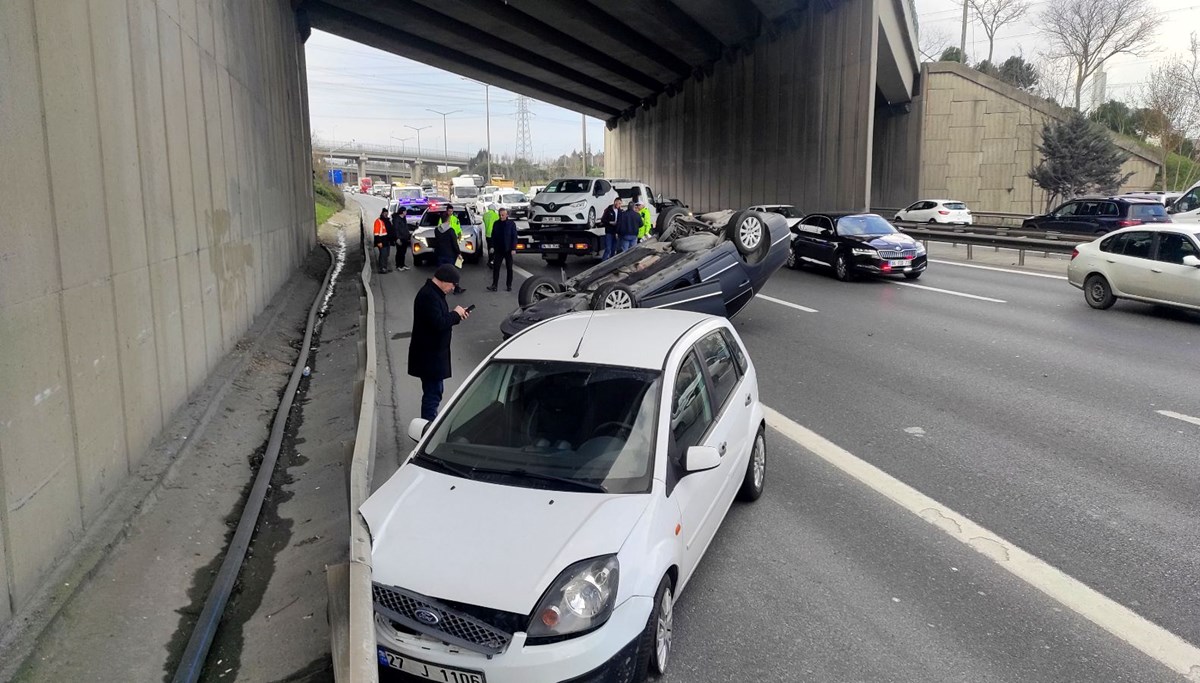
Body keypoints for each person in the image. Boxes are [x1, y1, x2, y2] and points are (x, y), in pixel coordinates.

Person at [408, 264, 470, 420]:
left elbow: (438, 319)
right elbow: (439, 323)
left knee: (434, 393)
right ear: (444, 280)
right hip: (430, 357)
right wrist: (455, 314)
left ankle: (428, 425)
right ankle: (427, 430)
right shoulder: (429, 296)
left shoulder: (433, 294)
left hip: (432, 356)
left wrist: (456, 315)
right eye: (453, 284)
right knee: (432, 395)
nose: (453, 288)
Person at [432, 206, 465, 294]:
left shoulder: (437, 230)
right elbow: (454, 243)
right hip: (450, 254)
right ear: (447, 220)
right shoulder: (450, 231)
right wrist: (459, 253)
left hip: (440, 254)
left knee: (441, 272)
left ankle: (439, 288)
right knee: (452, 272)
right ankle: (456, 289)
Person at [486, 207, 519, 292]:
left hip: (508, 250)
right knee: (496, 268)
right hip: (499, 249)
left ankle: (509, 285)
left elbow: (514, 237)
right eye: (500, 215)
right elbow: (493, 236)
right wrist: (492, 246)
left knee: (509, 268)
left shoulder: (511, 224)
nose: (501, 217)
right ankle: (494, 285)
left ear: (507, 215)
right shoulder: (496, 223)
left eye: (503, 215)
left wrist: (513, 248)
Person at [391, 206, 412, 271]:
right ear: (402, 212)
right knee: (399, 252)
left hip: (405, 237)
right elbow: (396, 229)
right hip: (400, 238)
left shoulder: (403, 218)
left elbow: (405, 228)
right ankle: (398, 265)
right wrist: (397, 238)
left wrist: (408, 235)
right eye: (405, 211)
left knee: (403, 252)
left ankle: (402, 264)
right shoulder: (397, 219)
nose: (406, 212)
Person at [372, 208, 392, 274]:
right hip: (381, 241)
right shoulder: (378, 221)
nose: (386, 214)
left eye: (387, 213)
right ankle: (382, 268)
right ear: (382, 213)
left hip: (386, 241)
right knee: (383, 255)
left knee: (386, 255)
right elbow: (376, 233)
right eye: (385, 213)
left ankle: (384, 267)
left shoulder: (386, 221)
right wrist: (379, 242)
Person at [482, 203, 499, 267]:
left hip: (488, 235)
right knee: (494, 248)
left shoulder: (485, 215)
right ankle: (493, 260)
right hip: (495, 234)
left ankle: (490, 260)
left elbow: (484, 221)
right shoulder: (496, 215)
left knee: (490, 247)